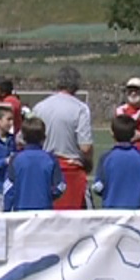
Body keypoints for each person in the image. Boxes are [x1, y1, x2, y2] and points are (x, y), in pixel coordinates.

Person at [31, 66, 93, 209]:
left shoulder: (40, 107)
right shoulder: (80, 108)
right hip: (71, 171)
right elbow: (85, 146)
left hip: (44, 168)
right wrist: (88, 163)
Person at [92, 115, 140, 209]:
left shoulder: (106, 158)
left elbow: (98, 187)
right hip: (137, 213)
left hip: (111, 212)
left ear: (112, 133)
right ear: (133, 134)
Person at [4, 117, 66, 211]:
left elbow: (8, 188)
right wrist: (47, 195)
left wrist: (7, 210)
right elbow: (61, 186)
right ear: (44, 137)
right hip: (44, 211)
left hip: (20, 212)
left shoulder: (16, 159)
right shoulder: (50, 159)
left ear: (24, 137)